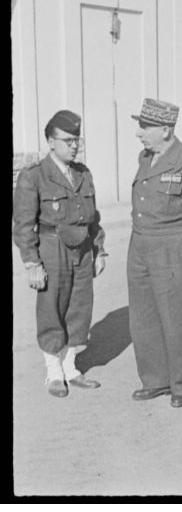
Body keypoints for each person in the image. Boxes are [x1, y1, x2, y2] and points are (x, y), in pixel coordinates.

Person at [127, 98, 182, 408]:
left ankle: (180, 384)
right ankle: (155, 380)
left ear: (165, 130)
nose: (139, 133)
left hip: (172, 247)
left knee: (177, 318)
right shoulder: (145, 157)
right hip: (140, 246)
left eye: (145, 127)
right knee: (143, 318)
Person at [13, 110, 107, 397]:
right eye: (67, 140)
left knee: (79, 306)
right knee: (52, 307)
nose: (74, 145)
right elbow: (23, 225)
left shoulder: (83, 173)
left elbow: (93, 217)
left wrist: (99, 249)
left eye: (76, 140)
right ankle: (53, 372)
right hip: (52, 248)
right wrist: (32, 263)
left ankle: (70, 367)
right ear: (51, 142)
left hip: (82, 249)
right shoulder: (34, 176)